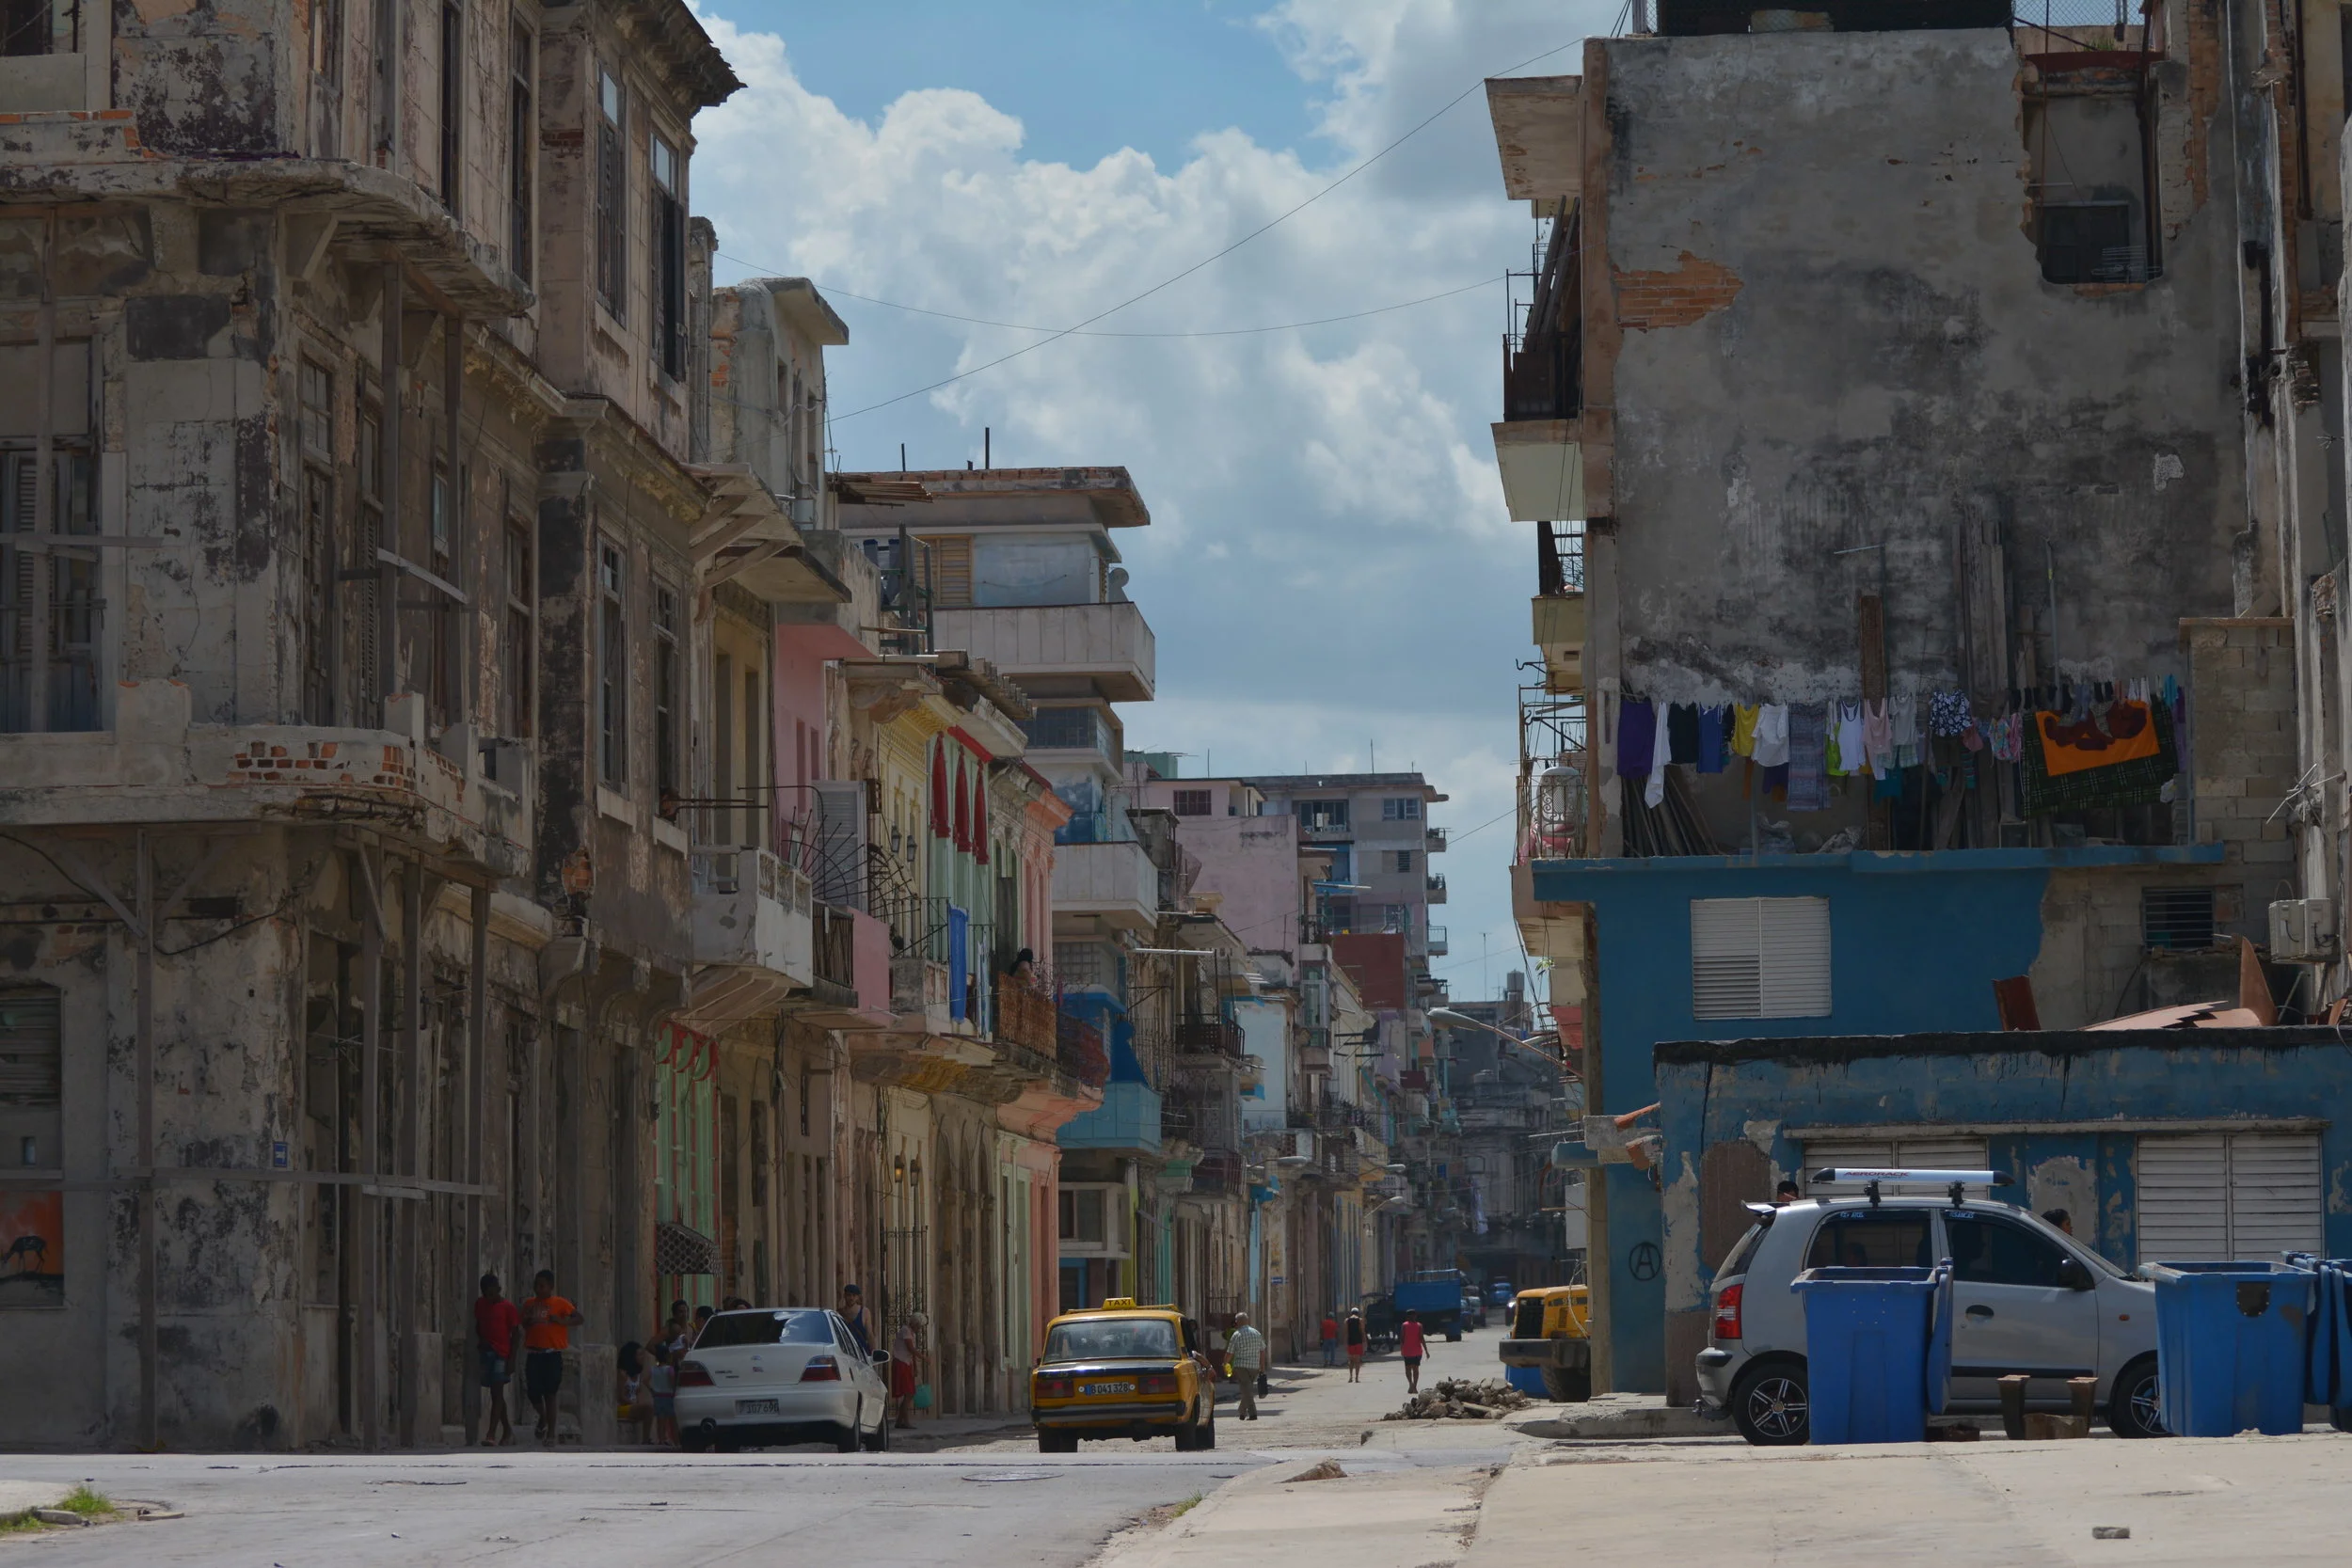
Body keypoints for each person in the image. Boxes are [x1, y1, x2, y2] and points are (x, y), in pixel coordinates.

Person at [520, 1269, 583, 1443]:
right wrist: (528, 1322)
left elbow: (579, 1318)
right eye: (536, 1285)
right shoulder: (529, 1304)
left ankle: (550, 1434)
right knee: (533, 1392)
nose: (538, 1289)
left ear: (550, 1287)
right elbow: (523, 1323)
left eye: (542, 1286)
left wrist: (563, 1322)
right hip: (534, 1353)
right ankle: (543, 1416)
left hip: (552, 1354)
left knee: (550, 1393)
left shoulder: (560, 1303)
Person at [472, 1272, 522, 1447]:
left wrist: (512, 1359)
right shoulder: (480, 1304)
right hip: (487, 1352)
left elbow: (516, 1335)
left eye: (492, 1293)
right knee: (496, 1394)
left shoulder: (508, 1308)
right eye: (485, 1294)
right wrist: (482, 1341)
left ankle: (491, 1433)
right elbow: (479, 1325)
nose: (489, 1297)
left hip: (502, 1353)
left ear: (499, 1289)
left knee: (498, 1392)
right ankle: (507, 1431)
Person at [1225, 1311, 1265, 1421]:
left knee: (1247, 1390)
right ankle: (1242, 1413)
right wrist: (1262, 1366)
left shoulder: (1237, 1334)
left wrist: (1225, 1363)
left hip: (1241, 1367)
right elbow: (1262, 1351)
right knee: (1246, 1389)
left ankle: (1253, 1414)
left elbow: (1230, 1352)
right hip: (1254, 1367)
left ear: (1238, 1322)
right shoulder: (1256, 1333)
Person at [892, 1312, 928, 1426]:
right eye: (919, 1326)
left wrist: (915, 1367)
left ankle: (900, 1421)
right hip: (901, 1362)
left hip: (907, 1363)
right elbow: (910, 1348)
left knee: (910, 1392)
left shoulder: (912, 1333)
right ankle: (905, 1421)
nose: (919, 1328)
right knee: (908, 1392)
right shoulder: (905, 1331)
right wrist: (924, 1358)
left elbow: (911, 1353)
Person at [616, 1341, 652, 1445]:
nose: (642, 1358)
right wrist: (635, 1404)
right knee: (648, 1408)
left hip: (632, 1407)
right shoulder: (623, 1375)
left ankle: (646, 1439)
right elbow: (620, 1397)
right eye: (639, 1355)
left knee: (649, 1408)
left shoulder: (638, 1375)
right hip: (622, 1408)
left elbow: (638, 1394)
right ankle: (645, 1440)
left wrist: (638, 1404)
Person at [647, 1342, 679, 1448]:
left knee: (660, 1420)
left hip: (658, 1396)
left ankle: (661, 1440)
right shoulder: (669, 1369)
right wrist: (675, 1390)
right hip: (669, 1396)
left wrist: (652, 1390)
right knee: (672, 1420)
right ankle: (676, 1442)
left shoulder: (653, 1369)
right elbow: (672, 1382)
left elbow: (645, 1381)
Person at [839, 1283, 874, 1356]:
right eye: (849, 1295)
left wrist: (873, 1353)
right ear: (844, 1296)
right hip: (845, 1353)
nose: (851, 1298)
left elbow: (869, 1335)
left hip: (862, 1353)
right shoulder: (839, 1313)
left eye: (854, 1295)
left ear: (858, 1297)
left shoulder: (864, 1312)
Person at [1399, 1310, 1426, 1394]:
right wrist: (1426, 1350)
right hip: (1417, 1351)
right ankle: (1414, 1386)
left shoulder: (1404, 1325)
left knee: (1408, 1368)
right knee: (1415, 1369)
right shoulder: (1419, 1325)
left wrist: (1401, 1349)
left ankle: (1411, 1384)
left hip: (1407, 1351)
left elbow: (1402, 1338)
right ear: (1415, 1316)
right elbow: (1421, 1338)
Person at [1343, 1307, 1366, 1383]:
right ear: (1357, 1313)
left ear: (1351, 1313)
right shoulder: (1360, 1320)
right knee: (1357, 1361)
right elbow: (1362, 1332)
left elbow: (1346, 1333)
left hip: (1350, 1342)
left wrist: (1345, 1343)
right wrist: (1365, 1341)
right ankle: (1357, 1378)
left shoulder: (1347, 1320)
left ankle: (1350, 1377)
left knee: (1351, 1360)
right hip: (1358, 1342)